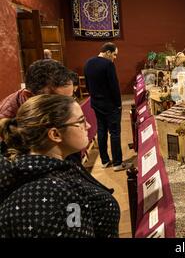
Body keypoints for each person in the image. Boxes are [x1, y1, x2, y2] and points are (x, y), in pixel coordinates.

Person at [0, 94, 120, 237]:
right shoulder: (56, 197)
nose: (88, 126)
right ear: (55, 134)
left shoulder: (48, 168)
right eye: (81, 121)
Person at [0, 60, 74, 157]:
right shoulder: (7, 116)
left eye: (69, 99)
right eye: (55, 101)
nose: (65, 107)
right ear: (29, 95)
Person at [84, 43, 132, 172]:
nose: (115, 57)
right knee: (115, 133)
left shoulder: (88, 62)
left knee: (101, 130)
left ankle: (105, 161)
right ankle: (117, 163)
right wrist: (118, 104)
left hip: (96, 103)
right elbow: (114, 86)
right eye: (115, 54)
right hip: (110, 105)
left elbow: (87, 85)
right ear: (108, 52)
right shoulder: (108, 64)